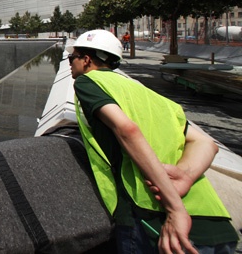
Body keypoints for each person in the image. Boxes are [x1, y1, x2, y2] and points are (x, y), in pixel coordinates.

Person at [68, 30, 238, 254]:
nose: (70, 63)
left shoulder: (88, 81)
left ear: (87, 60)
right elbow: (207, 144)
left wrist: (175, 209)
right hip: (215, 223)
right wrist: (185, 176)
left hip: (158, 223)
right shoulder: (151, 95)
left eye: (72, 58)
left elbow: (127, 129)